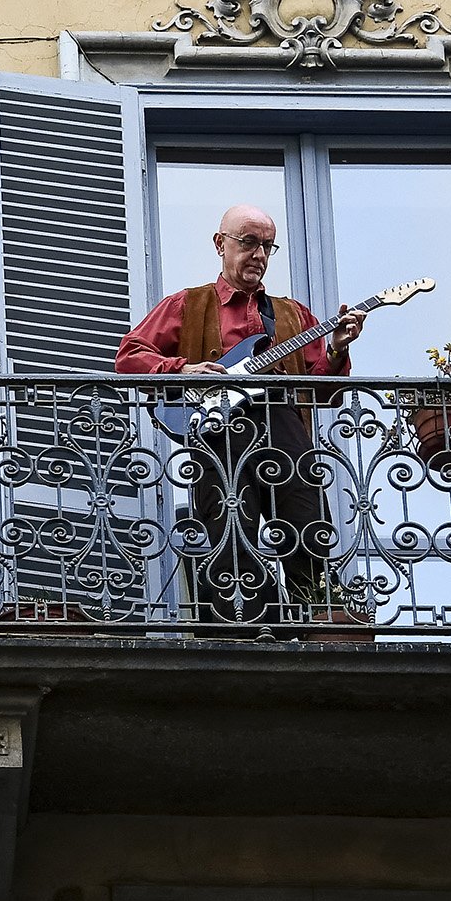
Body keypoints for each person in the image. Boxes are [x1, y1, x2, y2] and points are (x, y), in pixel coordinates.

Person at [115, 204, 367, 621]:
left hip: (281, 423)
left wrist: (338, 346)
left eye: (268, 246)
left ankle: (318, 613)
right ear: (221, 244)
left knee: (305, 513)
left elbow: (324, 391)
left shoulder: (292, 315)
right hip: (217, 427)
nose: (259, 255)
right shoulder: (187, 304)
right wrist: (183, 369)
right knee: (228, 523)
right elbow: (129, 357)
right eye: (248, 242)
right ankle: (239, 623)